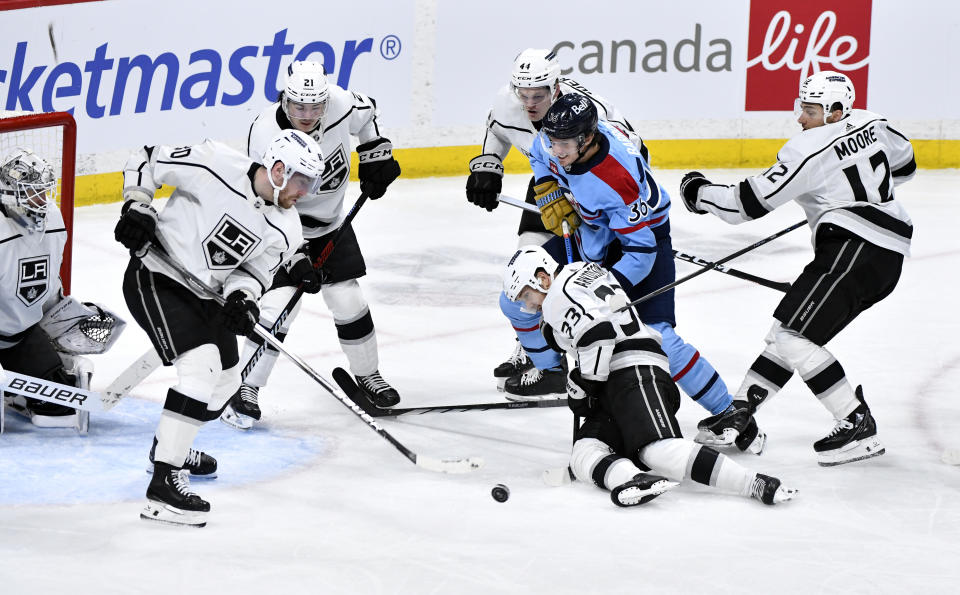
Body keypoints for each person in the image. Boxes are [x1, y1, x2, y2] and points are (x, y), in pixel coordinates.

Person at [498, 92, 765, 453]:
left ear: (587, 139)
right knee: (516, 295)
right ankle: (552, 371)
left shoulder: (618, 176)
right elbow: (541, 157)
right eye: (552, 141)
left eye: (563, 144)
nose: (555, 150)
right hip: (590, 231)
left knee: (656, 336)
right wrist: (547, 188)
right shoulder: (556, 139)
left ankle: (728, 411)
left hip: (639, 242)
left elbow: (640, 253)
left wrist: (602, 291)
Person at [679, 70, 916, 466]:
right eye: (802, 107)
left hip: (856, 247)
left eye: (810, 109)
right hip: (883, 251)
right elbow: (905, 167)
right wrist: (843, 192)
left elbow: (747, 204)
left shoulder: (808, 148)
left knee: (793, 337)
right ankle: (740, 413)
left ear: (836, 110)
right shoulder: (874, 121)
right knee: (785, 333)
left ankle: (855, 420)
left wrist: (697, 192)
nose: (801, 118)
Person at [115, 129, 323, 527]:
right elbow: (145, 158)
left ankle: (170, 442)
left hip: (207, 295)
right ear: (278, 170)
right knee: (201, 367)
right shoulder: (213, 163)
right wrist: (138, 205)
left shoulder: (287, 228)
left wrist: (244, 298)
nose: (306, 192)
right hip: (156, 273)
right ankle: (163, 485)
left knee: (225, 387)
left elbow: (253, 272)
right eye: (302, 181)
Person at [502, 246, 796, 506]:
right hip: (623, 374)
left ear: (542, 278)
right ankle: (632, 479)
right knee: (585, 451)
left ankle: (754, 482)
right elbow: (602, 321)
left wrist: (584, 384)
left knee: (657, 451)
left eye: (528, 295)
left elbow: (598, 333)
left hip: (633, 370)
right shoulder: (584, 270)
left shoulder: (555, 297)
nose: (529, 306)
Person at [221, 59, 402, 428]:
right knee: (276, 309)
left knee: (348, 299)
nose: (307, 114)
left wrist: (373, 154)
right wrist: (296, 254)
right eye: (298, 106)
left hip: (331, 223)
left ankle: (368, 375)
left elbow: (368, 117)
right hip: (280, 227)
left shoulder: (340, 102)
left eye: (315, 106)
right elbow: (266, 199)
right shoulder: (264, 132)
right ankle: (245, 386)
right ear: (284, 99)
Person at [465, 48, 648, 392]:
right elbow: (497, 129)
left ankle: (579, 347)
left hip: (593, 189)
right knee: (526, 262)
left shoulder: (590, 111)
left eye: (538, 95)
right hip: (549, 182)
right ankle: (537, 348)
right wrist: (488, 164)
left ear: (556, 87)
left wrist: (613, 212)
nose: (530, 103)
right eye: (524, 95)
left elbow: (635, 154)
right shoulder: (507, 103)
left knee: (582, 278)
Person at [0, 148, 88, 431]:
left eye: (43, 191)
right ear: (10, 192)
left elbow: (49, 277)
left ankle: (18, 395)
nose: (41, 200)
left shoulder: (51, 216)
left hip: (20, 335)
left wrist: (64, 313)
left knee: (61, 404)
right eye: (31, 192)